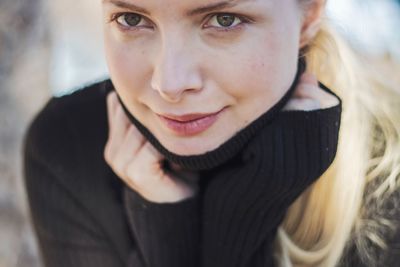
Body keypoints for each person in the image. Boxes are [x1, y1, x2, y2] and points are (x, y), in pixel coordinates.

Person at [22, 0, 400, 266]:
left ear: (309, 16)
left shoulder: (387, 171)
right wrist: (172, 231)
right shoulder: (68, 148)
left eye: (222, 20)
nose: (169, 83)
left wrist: (244, 211)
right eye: (132, 19)